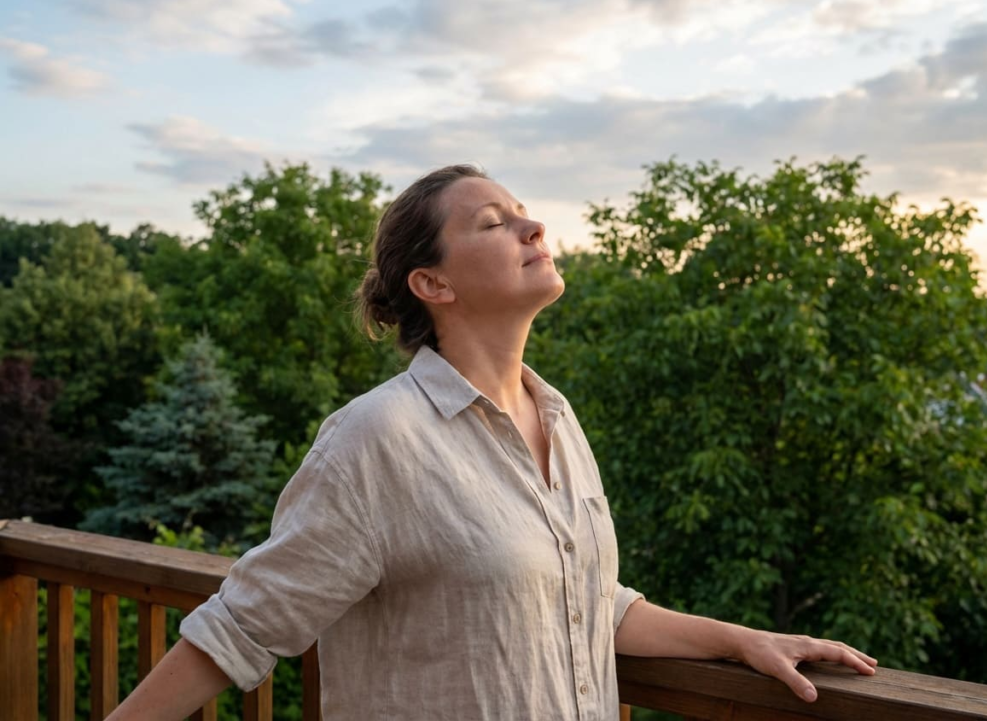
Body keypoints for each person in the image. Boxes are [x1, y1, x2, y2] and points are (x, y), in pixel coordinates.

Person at [106, 165, 876, 720]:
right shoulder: (377, 439)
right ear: (432, 285)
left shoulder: (560, 420)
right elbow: (241, 625)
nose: (531, 227)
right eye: (491, 223)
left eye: (521, 212)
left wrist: (745, 641)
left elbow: (577, 601)